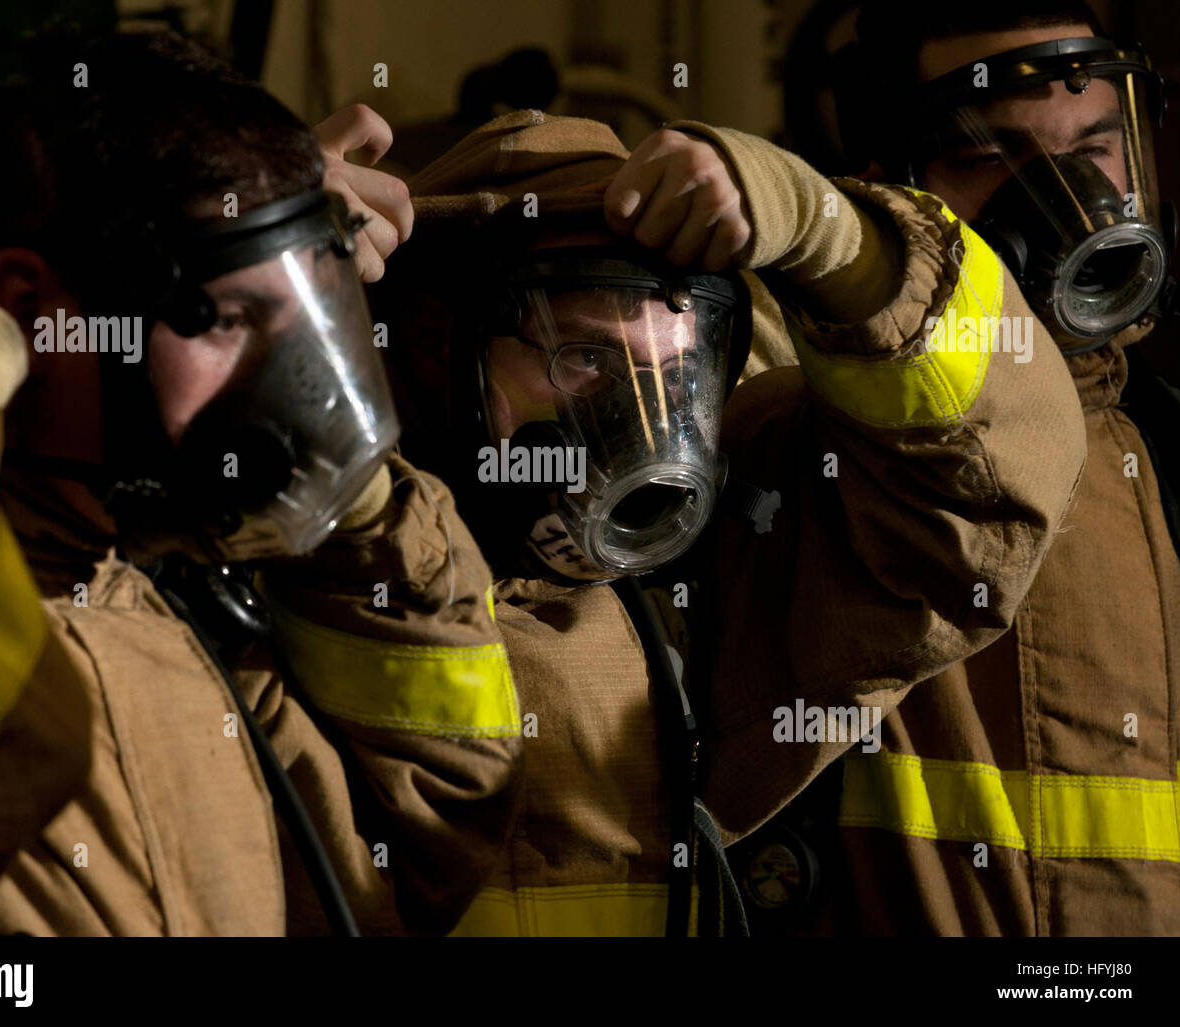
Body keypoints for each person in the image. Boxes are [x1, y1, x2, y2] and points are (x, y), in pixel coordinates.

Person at [372, 107, 1086, 935]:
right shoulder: (328, 565)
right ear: (433, 348)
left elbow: (982, 489)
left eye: (675, 370)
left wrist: (836, 240)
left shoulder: (714, 582)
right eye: (586, 359)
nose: (640, 429)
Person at [0, 29, 521, 937]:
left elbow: (424, 844)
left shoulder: (188, 613)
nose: (294, 388)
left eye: (308, 321)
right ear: (29, 312)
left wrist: (356, 509)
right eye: (228, 318)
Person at [736, 0, 1180, 936]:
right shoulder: (819, 457)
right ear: (890, 196)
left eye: (1093, 150)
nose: (1071, 203)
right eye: (991, 160)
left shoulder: (1169, 450)